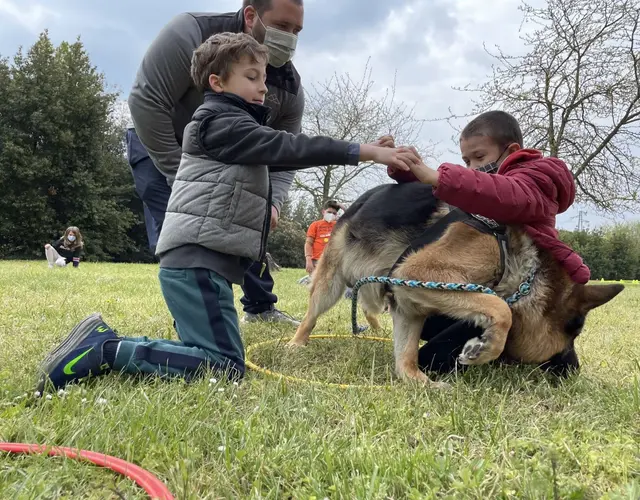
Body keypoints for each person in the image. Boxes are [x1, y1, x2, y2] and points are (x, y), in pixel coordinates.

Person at [35, 32, 420, 392]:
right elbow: (287, 147)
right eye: (251, 77)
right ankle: (107, 352)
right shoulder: (219, 121)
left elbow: (267, 157)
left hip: (199, 263)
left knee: (207, 351)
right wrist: (363, 151)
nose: (263, 86)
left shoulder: (233, 126)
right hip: (197, 263)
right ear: (217, 82)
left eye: (264, 78)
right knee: (225, 367)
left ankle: (101, 339)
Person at [127, 0, 310, 326]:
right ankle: (195, 319)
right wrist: (181, 174)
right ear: (251, 15)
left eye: (296, 31)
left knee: (248, 216)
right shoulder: (190, 32)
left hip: (228, 162)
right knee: (188, 238)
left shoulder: (289, 89)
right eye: (282, 27)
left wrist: (274, 203)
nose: (290, 38)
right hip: (160, 144)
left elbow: (283, 157)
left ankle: (261, 308)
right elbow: (146, 102)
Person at [388, 110, 589, 377]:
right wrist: (408, 170)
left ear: (512, 150)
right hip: (494, 283)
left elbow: (506, 196)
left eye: (480, 157)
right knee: (460, 319)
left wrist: (440, 177)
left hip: (525, 291)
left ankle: (555, 361)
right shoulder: (484, 191)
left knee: (557, 361)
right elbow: (463, 193)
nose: (472, 167)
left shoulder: (538, 179)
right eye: (466, 160)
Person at [304, 200, 341, 275]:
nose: (331, 214)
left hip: (333, 261)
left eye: (334, 213)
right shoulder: (315, 225)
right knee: (316, 284)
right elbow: (308, 243)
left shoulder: (339, 225)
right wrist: (308, 260)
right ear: (323, 212)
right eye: (329, 212)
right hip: (316, 261)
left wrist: (342, 207)